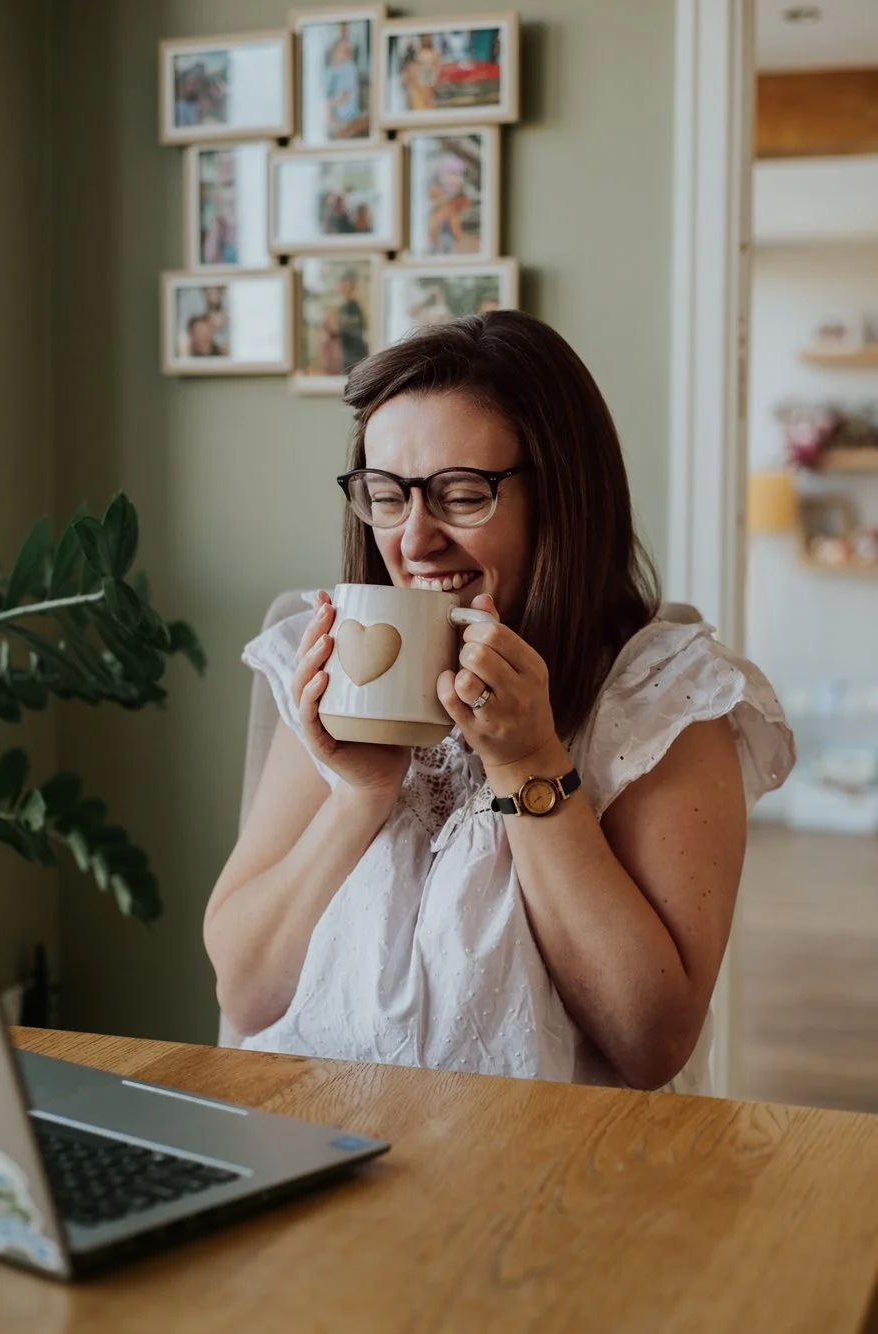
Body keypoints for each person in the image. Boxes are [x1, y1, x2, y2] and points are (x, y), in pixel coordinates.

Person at [204, 311, 795, 1093]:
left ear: (561, 499)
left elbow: (650, 1043)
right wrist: (358, 795)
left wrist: (528, 762)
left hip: (559, 1187)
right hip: (319, 1160)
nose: (413, 540)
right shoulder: (333, 666)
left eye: (459, 493)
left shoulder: (666, 696)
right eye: (385, 494)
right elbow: (244, 996)